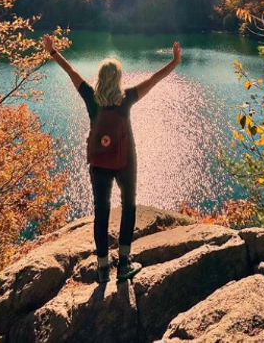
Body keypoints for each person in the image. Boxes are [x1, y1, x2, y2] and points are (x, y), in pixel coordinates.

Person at [43, 35, 181, 283]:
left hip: (98, 164)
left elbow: (71, 71)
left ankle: (103, 268)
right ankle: (124, 263)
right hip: (126, 160)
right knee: (128, 206)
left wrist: (52, 51)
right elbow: (154, 79)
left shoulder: (90, 96)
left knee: (101, 212)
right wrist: (174, 62)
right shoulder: (126, 98)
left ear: (100, 78)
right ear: (118, 78)